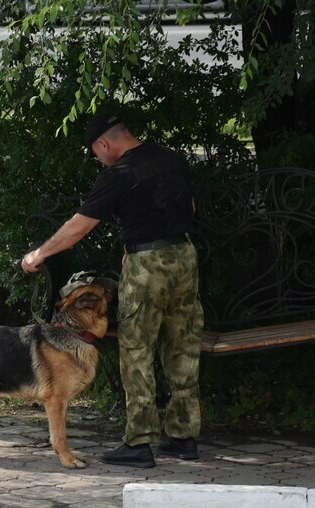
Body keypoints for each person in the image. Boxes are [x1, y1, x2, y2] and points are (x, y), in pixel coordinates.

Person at [21, 113, 204, 468]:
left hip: (147, 265)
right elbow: (191, 208)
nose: (98, 160)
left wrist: (39, 254)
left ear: (104, 144)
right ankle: (183, 438)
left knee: (137, 348)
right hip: (184, 256)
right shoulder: (170, 158)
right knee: (183, 344)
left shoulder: (118, 174)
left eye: (96, 153)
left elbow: (78, 227)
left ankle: (138, 443)